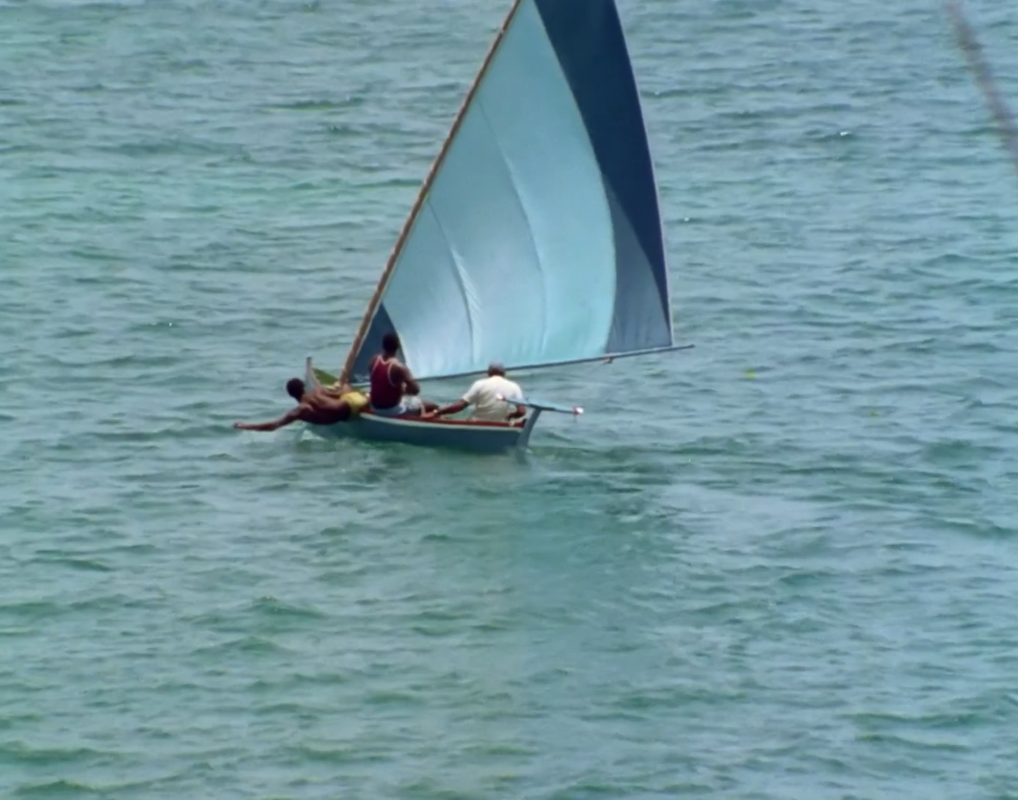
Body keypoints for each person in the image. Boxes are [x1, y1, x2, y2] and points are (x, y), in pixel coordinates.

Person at [233, 375, 368, 432]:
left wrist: (245, 426)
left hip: (349, 416)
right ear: (304, 387)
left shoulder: (299, 411)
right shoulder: (318, 391)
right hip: (353, 403)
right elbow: (340, 394)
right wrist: (344, 386)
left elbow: (273, 425)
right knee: (346, 387)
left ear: (291, 395)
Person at [424, 361, 526, 423]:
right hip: (500, 424)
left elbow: (461, 405)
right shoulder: (514, 386)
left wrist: (436, 412)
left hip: (478, 423)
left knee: (444, 418)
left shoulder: (480, 384)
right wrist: (510, 416)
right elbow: (521, 412)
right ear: (504, 373)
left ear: (489, 373)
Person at [368, 331, 438, 417]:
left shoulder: (374, 360)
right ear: (398, 347)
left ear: (383, 346)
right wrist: (404, 390)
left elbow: (380, 383)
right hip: (391, 411)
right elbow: (416, 390)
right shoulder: (399, 367)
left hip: (375, 408)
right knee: (428, 405)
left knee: (409, 401)